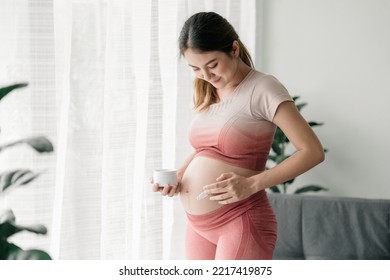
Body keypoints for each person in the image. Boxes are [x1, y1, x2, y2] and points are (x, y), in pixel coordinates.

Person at [152, 11, 324, 260]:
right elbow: (206, 150)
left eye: (212, 65)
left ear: (233, 49)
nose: (207, 76)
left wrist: (251, 184)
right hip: (198, 226)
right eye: (196, 68)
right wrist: (178, 177)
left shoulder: (263, 88)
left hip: (240, 220)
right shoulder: (207, 91)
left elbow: (312, 151)